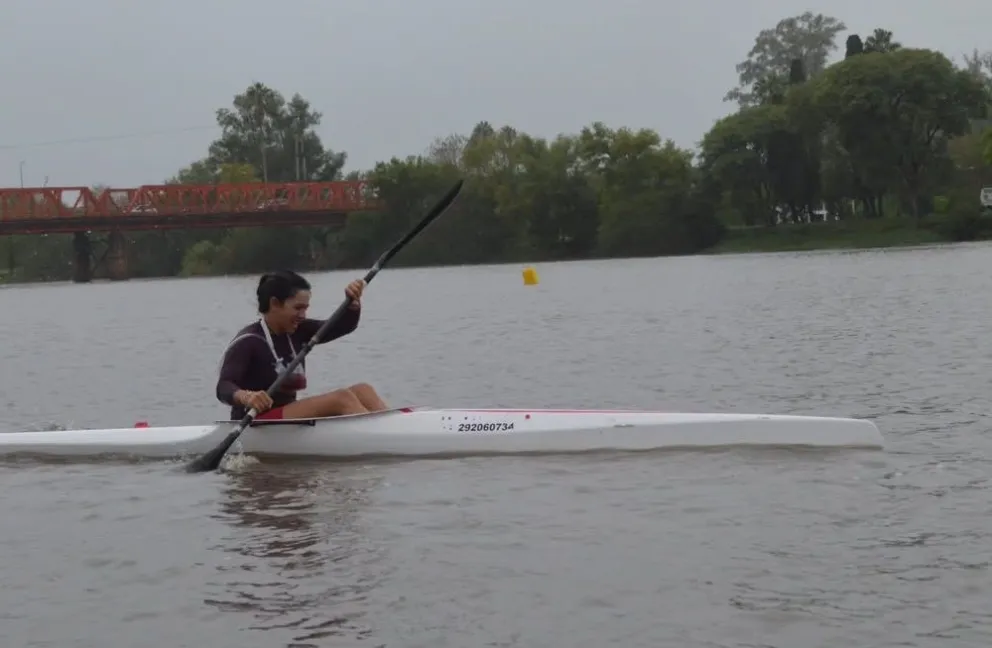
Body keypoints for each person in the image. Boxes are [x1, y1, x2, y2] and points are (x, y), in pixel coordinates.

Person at [215, 270, 389, 421]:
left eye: (306, 308)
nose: (303, 315)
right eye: (298, 308)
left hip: (286, 417)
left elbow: (341, 326)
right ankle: (382, 440)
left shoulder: (298, 331)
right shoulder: (248, 341)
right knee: (341, 398)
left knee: (363, 390)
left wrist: (352, 305)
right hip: (254, 422)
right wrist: (246, 397)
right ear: (275, 303)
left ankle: (394, 430)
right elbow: (224, 386)